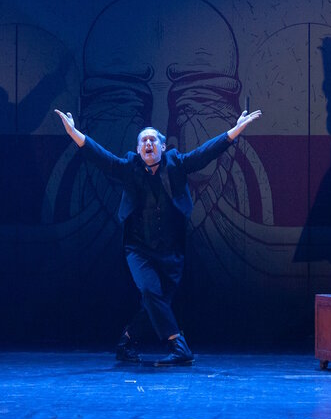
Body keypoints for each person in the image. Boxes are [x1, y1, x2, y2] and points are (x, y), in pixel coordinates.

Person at [54, 107, 262, 365]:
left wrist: (235, 131)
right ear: (138, 149)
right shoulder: (129, 167)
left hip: (171, 250)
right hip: (138, 248)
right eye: (143, 141)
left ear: (163, 147)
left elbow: (205, 153)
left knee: (156, 302)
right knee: (150, 291)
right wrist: (74, 133)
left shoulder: (176, 164)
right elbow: (101, 157)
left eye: (153, 140)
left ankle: (125, 343)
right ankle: (179, 346)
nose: (148, 144)